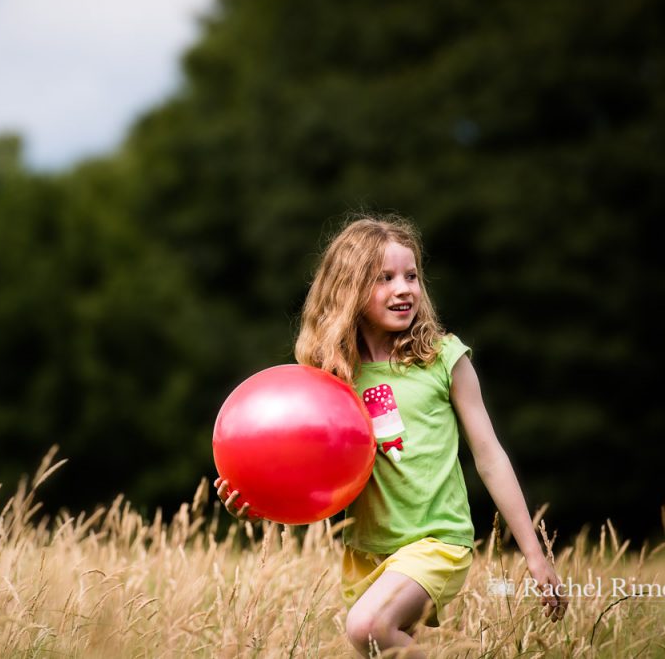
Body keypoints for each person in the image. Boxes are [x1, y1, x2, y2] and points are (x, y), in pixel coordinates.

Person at [215, 214, 567, 657]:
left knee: (366, 627)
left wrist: (534, 554)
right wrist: (257, 499)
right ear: (348, 289)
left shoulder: (443, 358)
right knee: (386, 647)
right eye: (384, 279)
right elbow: (300, 469)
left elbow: (490, 455)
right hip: (365, 553)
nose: (404, 289)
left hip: (437, 542)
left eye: (411, 276)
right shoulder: (330, 380)